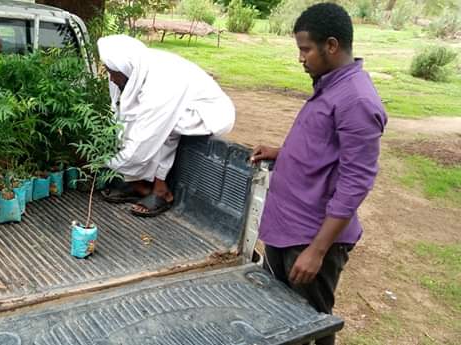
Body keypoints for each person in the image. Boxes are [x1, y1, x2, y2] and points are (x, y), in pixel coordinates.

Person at [250, 3, 387, 345]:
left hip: (309, 237)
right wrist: (282, 154)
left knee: (311, 324)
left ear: (331, 45)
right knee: (281, 315)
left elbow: (356, 181)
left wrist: (317, 250)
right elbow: (325, 148)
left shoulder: (357, 100)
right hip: (287, 227)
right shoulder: (331, 84)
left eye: (305, 49)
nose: (301, 58)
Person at [97, 35, 235, 217]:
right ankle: (139, 182)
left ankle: (161, 190)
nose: (111, 78)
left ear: (125, 68)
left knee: (160, 127)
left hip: (210, 113)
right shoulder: (135, 69)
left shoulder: (161, 83)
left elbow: (143, 143)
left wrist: (104, 164)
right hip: (174, 105)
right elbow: (120, 112)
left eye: (113, 73)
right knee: (143, 121)